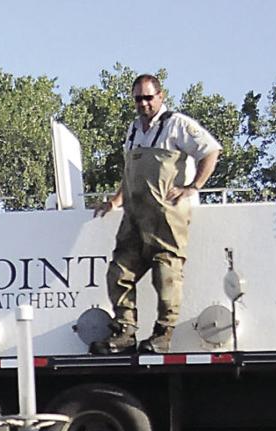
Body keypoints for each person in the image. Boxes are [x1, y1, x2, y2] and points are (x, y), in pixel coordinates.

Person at [91, 74, 221, 355]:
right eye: (138, 98)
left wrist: (192, 187)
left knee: (166, 274)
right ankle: (125, 331)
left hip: (166, 216)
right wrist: (114, 201)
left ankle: (163, 334)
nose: (144, 103)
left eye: (149, 97)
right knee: (119, 272)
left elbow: (211, 150)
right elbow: (130, 174)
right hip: (135, 216)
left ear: (161, 97)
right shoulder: (134, 129)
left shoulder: (177, 124)